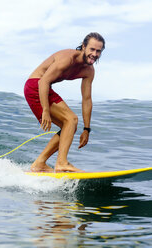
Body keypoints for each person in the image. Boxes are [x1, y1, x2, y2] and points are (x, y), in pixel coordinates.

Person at [24, 32, 105, 172]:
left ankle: (39, 164)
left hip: (43, 87)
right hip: (36, 86)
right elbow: (43, 81)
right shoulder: (68, 59)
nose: (95, 54)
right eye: (92, 49)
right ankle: (61, 163)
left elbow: (86, 99)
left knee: (70, 126)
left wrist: (86, 129)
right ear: (84, 47)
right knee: (71, 119)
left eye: (98, 51)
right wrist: (46, 110)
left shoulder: (89, 71)